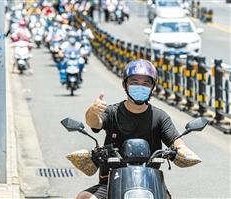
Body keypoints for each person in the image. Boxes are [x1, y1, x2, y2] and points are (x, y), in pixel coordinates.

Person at [76, 59, 195, 199]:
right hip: (111, 180)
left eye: (146, 83)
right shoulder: (112, 112)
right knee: (83, 197)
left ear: (152, 87)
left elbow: (177, 142)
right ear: (125, 85)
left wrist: (181, 151)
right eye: (134, 82)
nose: (140, 86)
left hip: (150, 181)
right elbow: (95, 123)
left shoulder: (159, 116)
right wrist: (93, 110)